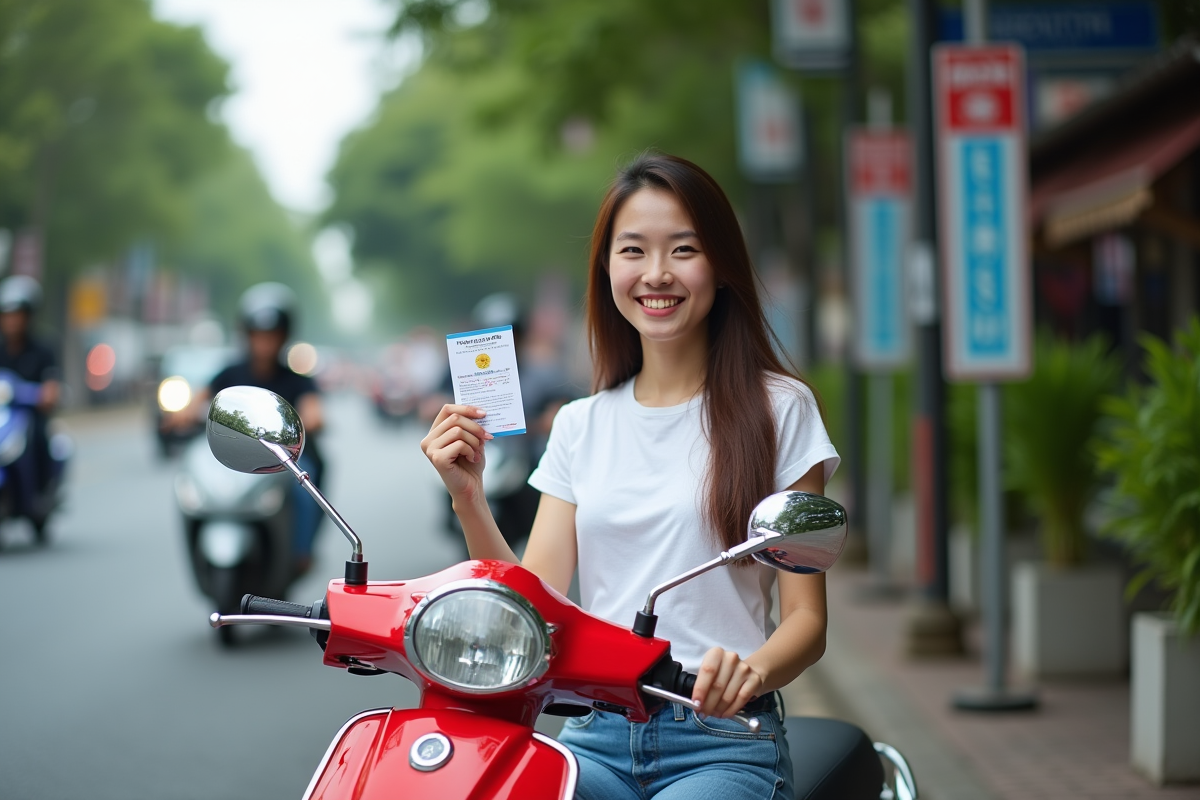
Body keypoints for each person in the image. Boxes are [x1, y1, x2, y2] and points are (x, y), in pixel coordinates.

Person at [420, 153, 839, 799]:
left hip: (723, 739)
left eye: (683, 249)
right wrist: (469, 498)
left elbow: (806, 620)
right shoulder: (579, 424)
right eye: (634, 250)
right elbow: (537, 604)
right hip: (595, 735)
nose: (657, 272)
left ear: (720, 265)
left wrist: (749, 674)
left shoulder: (780, 409)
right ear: (608, 269)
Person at [205, 283, 326, 575]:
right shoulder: (230, 374)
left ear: (283, 337)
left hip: (283, 462)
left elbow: (314, 412)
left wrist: (306, 422)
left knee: (305, 488)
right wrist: (180, 415)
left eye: (272, 335)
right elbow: (198, 400)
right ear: (246, 335)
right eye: (258, 334)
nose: (264, 342)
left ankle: (301, 552)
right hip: (233, 457)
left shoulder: (297, 380)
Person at [0, 275, 62, 518]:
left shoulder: (44, 349)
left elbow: (51, 389)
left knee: (38, 436)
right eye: (7, 314)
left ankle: (41, 491)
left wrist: (43, 395)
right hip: (4, 415)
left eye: (17, 314)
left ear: (29, 316)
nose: (12, 320)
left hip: (29, 415)